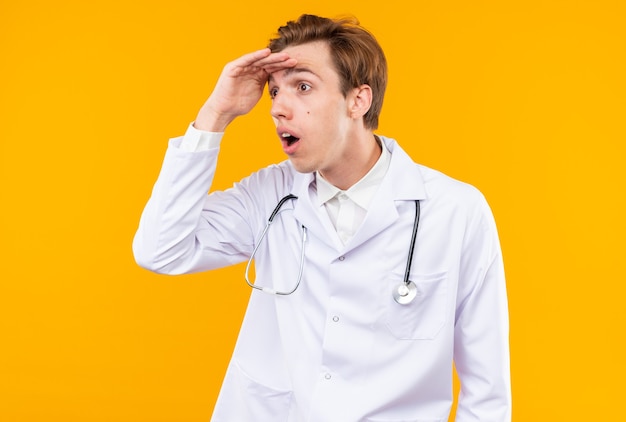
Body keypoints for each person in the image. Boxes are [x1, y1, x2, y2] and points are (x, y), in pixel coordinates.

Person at [133, 14, 511, 422]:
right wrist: (215, 115)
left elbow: (487, 390)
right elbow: (160, 251)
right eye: (275, 90)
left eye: (303, 87)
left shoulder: (456, 211)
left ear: (358, 101)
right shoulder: (269, 195)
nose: (278, 107)